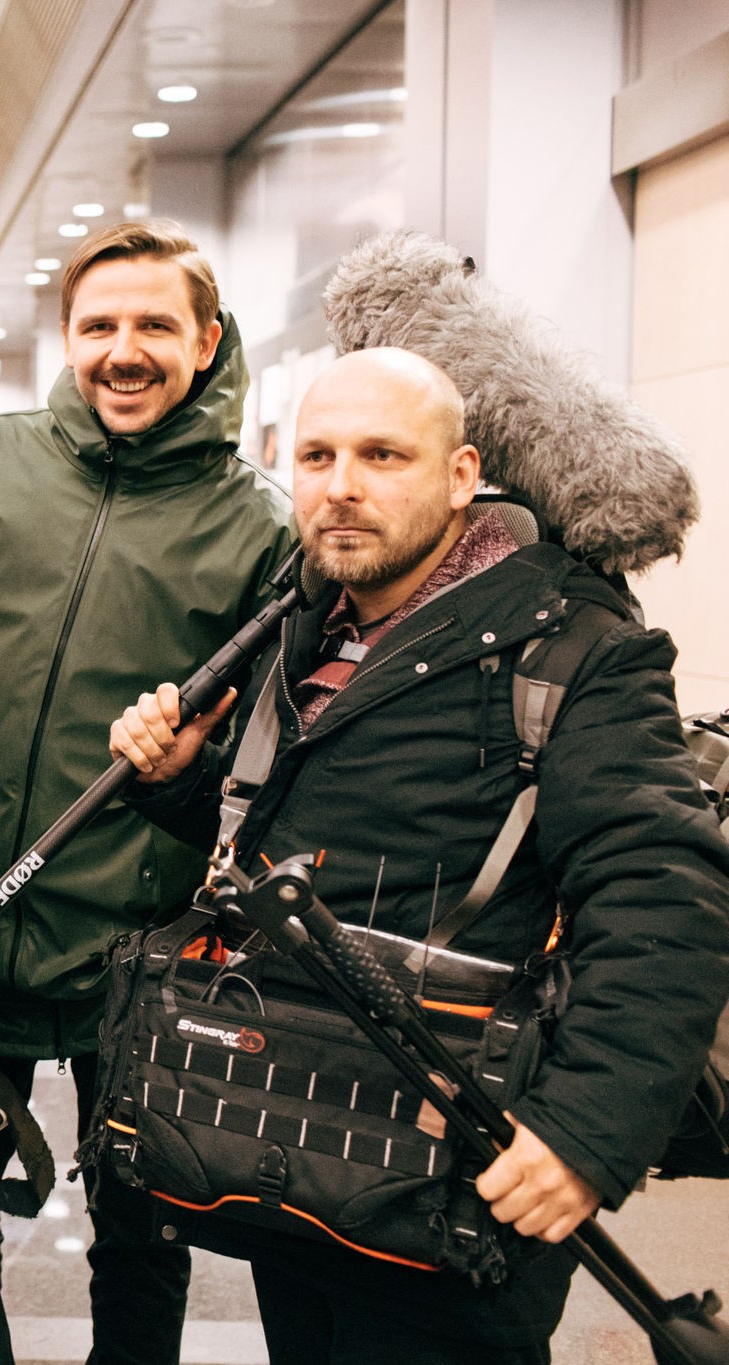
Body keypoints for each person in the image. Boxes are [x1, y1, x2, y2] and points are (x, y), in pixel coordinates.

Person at [108, 347, 729, 1364]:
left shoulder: (570, 646)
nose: (341, 485)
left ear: (459, 476)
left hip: (457, 1171)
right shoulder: (306, 622)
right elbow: (303, 857)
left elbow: (662, 894)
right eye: (317, 456)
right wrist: (185, 782)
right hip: (302, 1136)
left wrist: (584, 1131)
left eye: (382, 454)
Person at [0, 220, 291, 1364]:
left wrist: (191, 783)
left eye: (153, 326)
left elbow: (268, 766)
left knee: (139, 1234)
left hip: (142, 948)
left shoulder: (258, 525)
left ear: (205, 341)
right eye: (97, 325)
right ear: (67, 337)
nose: (122, 352)